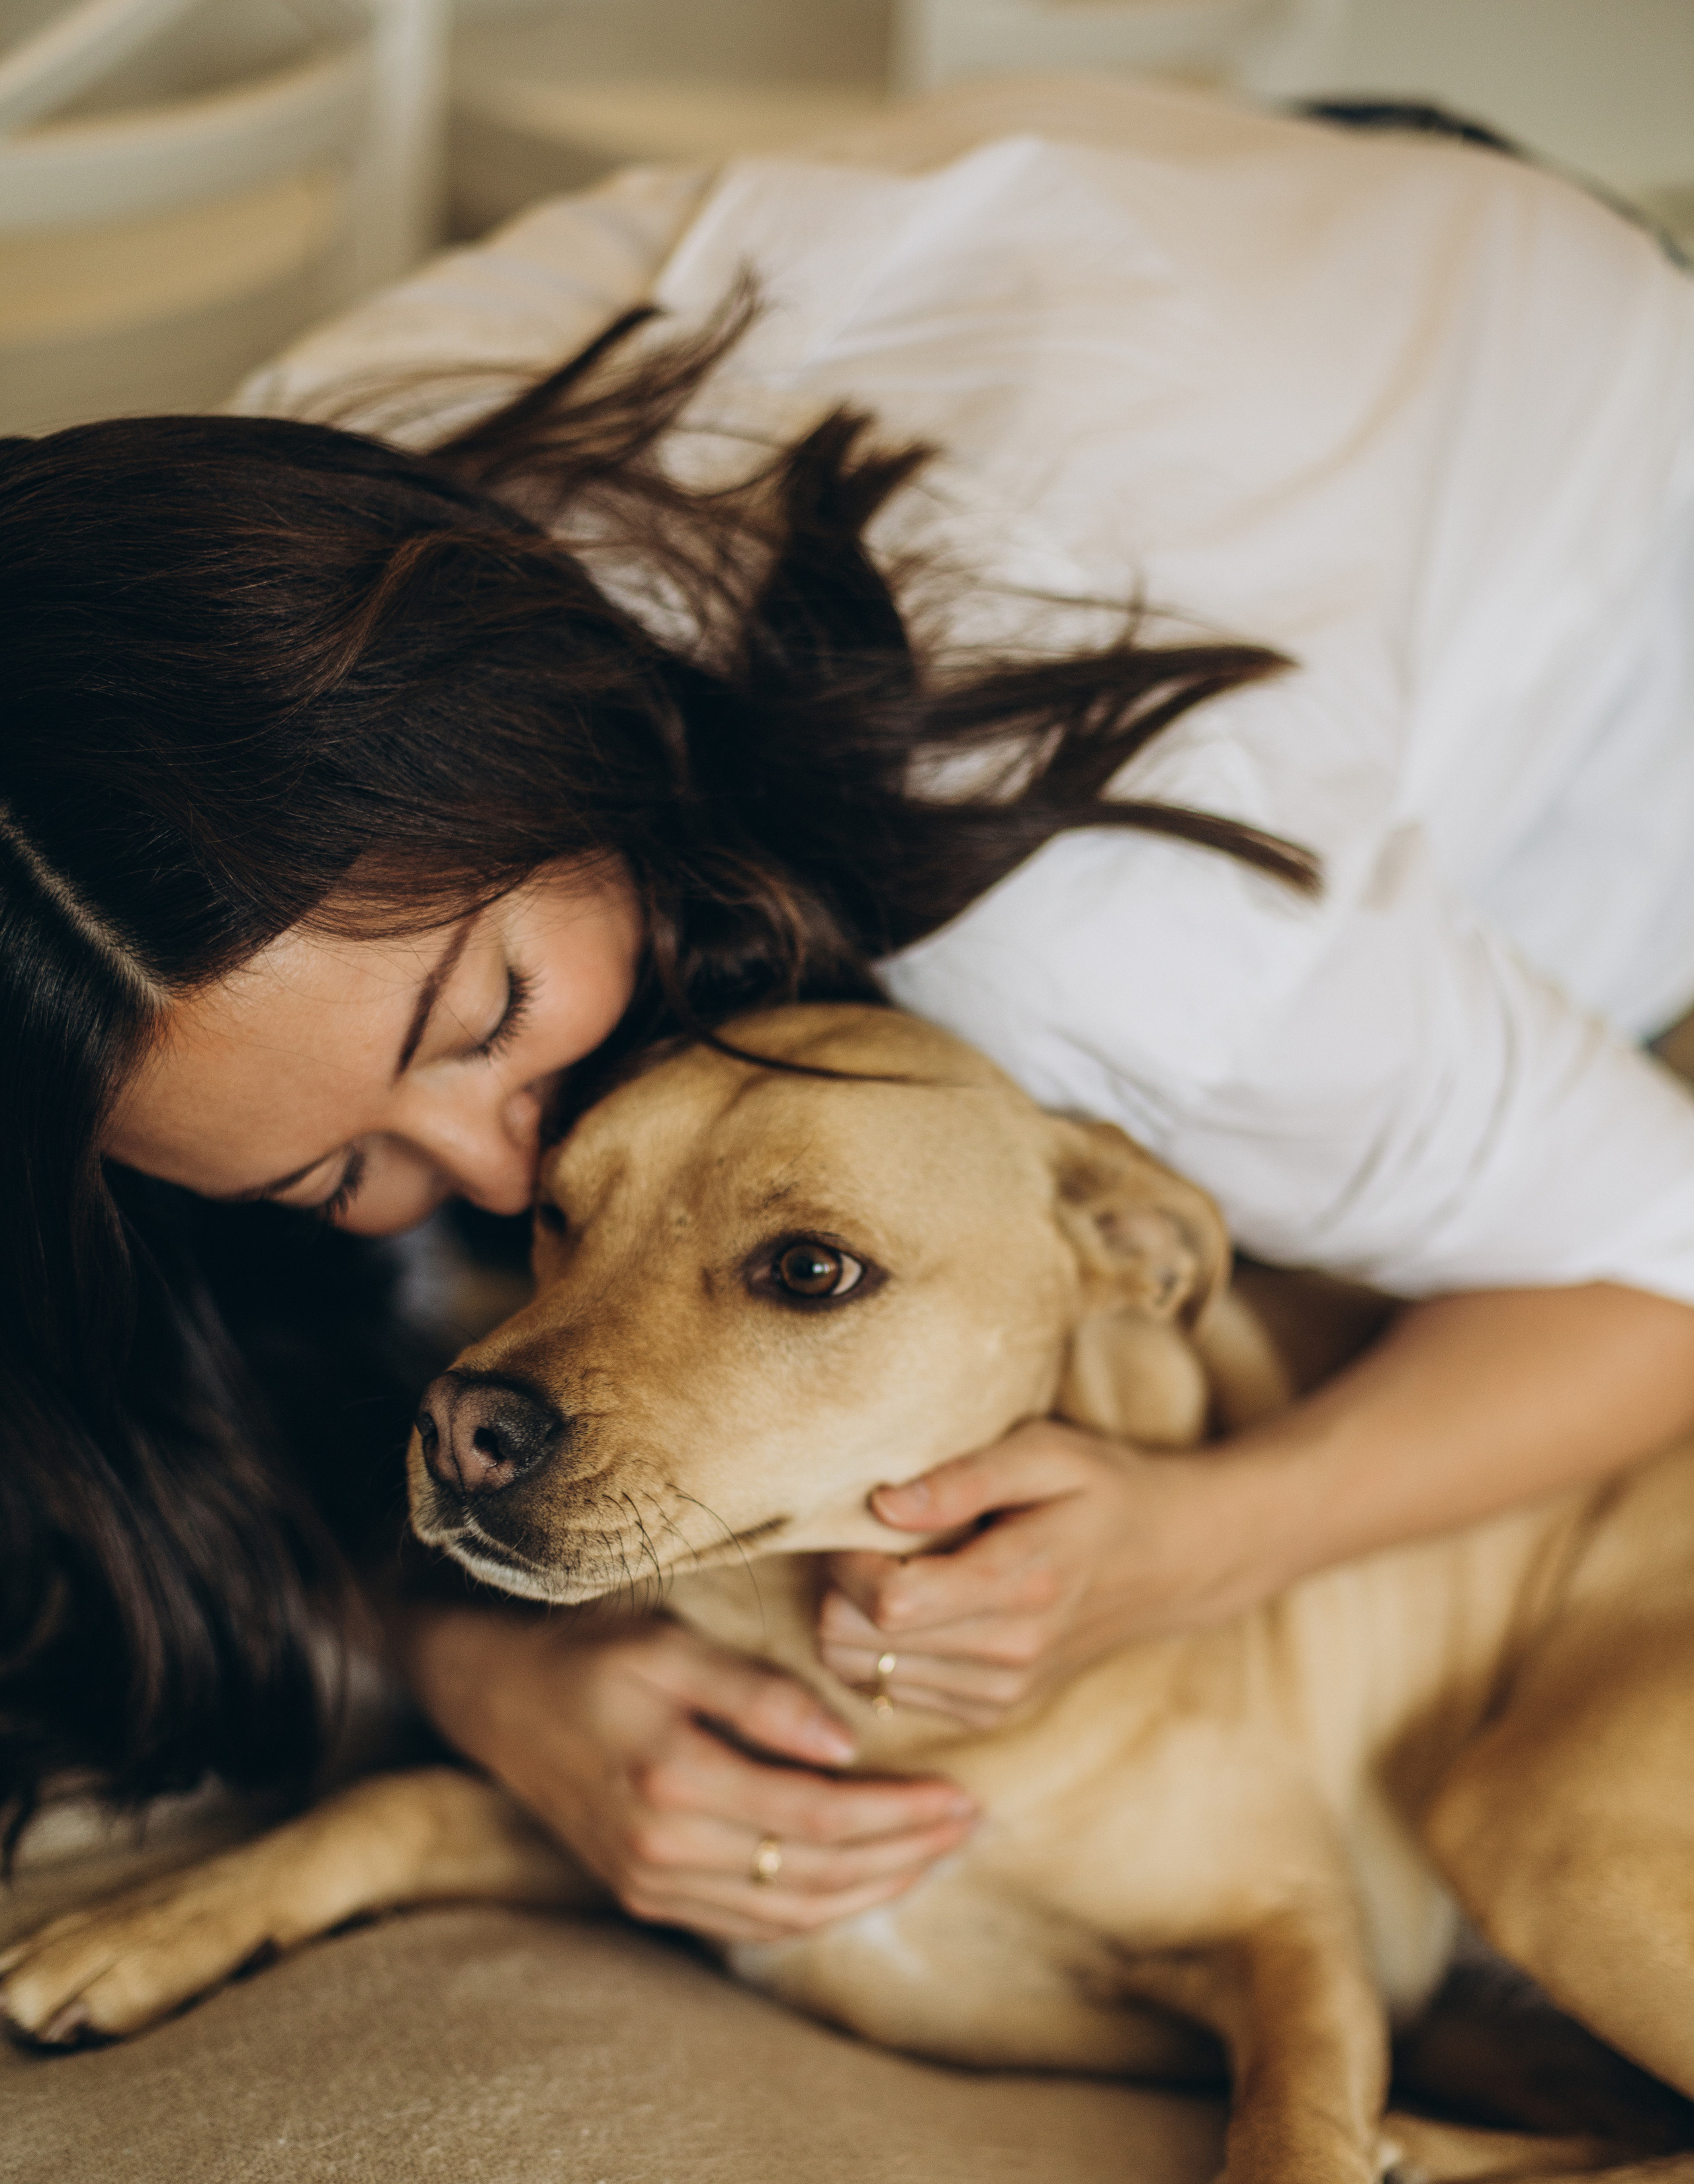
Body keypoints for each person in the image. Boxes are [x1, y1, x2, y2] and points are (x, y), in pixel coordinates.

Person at [5, 81, 1694, 1945]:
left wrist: (1203, 1544)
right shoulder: (156, 613)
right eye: (329, 1176)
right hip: (1247, 222)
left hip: (1603, 470)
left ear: (530, 741)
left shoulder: (1108, 948)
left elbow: (1666, 1266)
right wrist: (493, 1677)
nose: (511, 1162)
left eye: (486, 1010)